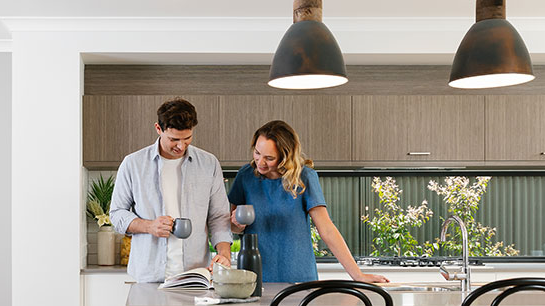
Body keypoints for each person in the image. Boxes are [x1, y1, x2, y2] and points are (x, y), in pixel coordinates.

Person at [228, 120, 388, 284]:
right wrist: (236, 225)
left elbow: (327, 229)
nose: (260, 162)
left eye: (269, 158)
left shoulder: (304, 177)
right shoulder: (245, 176)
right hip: (253, 277)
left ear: (285, 156)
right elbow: (233, 227)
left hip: (298, 276)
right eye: (257, 153)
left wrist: (358, 275)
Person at [110, 98, 232, 283]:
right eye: (174, 139)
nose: (181, 146)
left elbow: (218, 217)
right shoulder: (133, 164)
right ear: (158, 129)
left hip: (196, 276)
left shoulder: (209, 163)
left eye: (187, 138)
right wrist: (149, 226)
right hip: (149, 277)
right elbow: (117, 214)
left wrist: (224, 254)